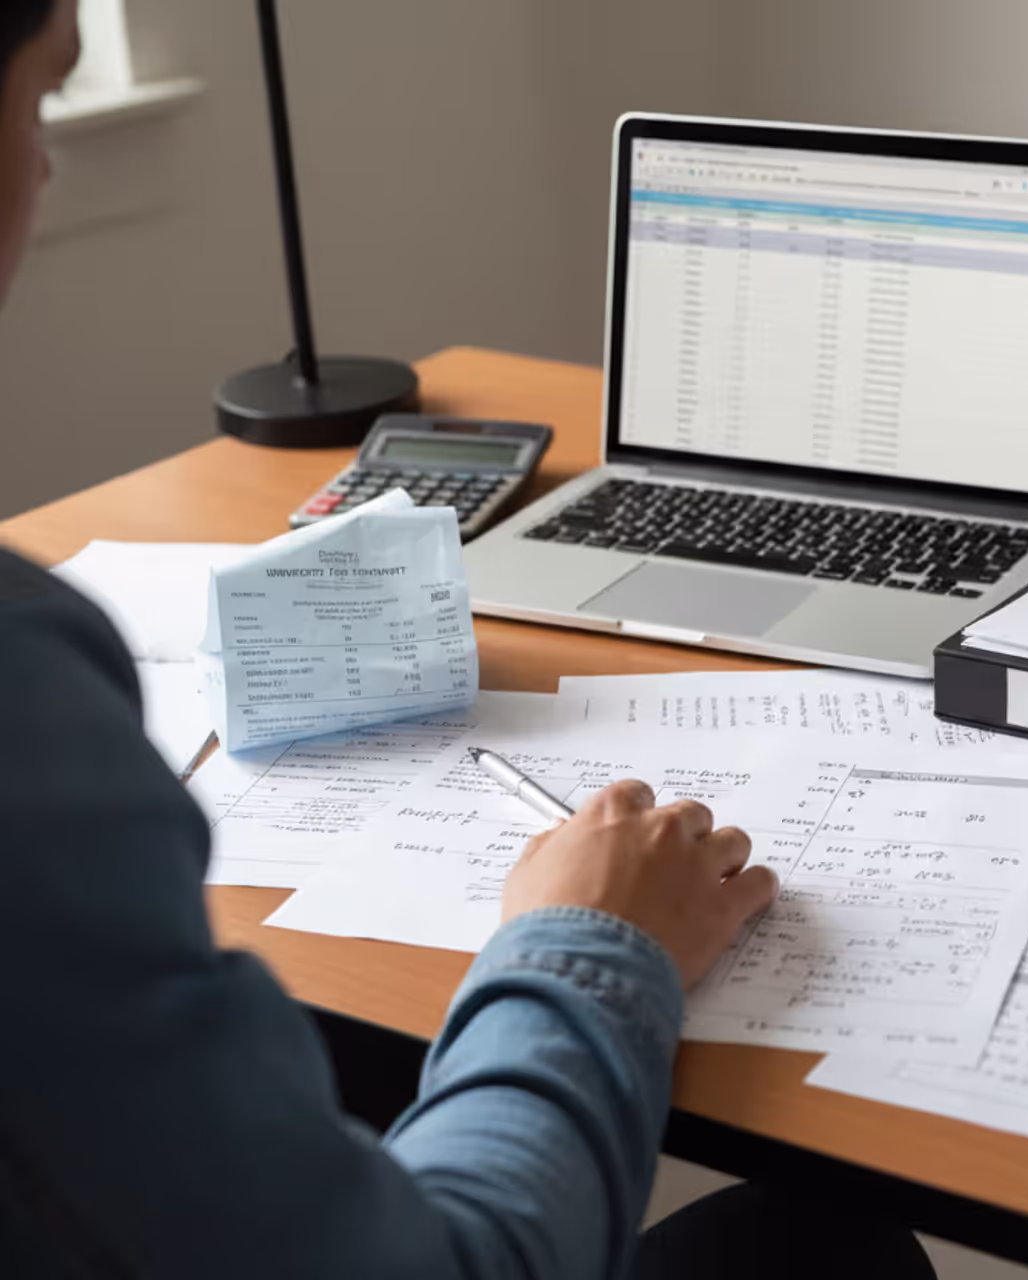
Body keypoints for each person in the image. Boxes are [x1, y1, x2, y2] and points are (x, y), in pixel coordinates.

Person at [0, 3, 936, 1276]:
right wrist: (594, 939)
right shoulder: (24, 695)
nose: (46, 166)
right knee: (829, 1248)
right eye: (43, 101)